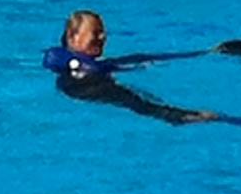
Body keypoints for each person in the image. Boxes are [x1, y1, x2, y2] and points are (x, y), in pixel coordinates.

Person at [43, 10, 217, 126]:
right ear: (73, 37)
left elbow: (135, 59)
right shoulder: (59, 55)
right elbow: (53, 61)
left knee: (141, 95)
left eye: (103, 33)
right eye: (95, 33)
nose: (103, 37)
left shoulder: (101, 63)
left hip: (97, 82)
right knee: (136, 101)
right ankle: (178, 116)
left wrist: (204, 52)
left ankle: (176, 114)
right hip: (82, 86)